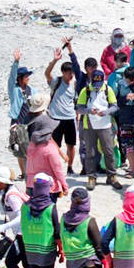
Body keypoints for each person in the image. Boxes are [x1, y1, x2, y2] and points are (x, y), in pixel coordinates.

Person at [22, 173, 64, 268]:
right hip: (46, 249)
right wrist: (61, 250)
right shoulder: (50, 207)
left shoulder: (25, 206)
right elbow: (57, 232)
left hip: (30, 248)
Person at [75, 69, 120, 191]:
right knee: (90, 152)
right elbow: (79, 108)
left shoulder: (108, 90)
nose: (97, 87)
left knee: (109, 151)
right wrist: (89, 111)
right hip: (89, 125)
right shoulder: (86, 90)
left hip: (105, 124)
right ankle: (91, 176)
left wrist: (106, 112)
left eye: (99, 85)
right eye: (95, 84)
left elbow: (114, 106)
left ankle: (111, 176)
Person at [0, 166, 30, 268]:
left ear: (5, 182)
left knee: (12, 262)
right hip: (23, 233)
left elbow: (21, 217)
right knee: (26, 264)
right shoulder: (11, 191)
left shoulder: (11, 196)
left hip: (22, 234)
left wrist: (3, 227)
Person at [45, 40, 81, 177]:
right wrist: (54, 60)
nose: (70, 75)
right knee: (55, 145)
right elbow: (47, 73)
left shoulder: (75, 84)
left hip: (70, 118)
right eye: (68, 72)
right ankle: (55, 167)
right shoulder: (57, 81)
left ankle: (70, 167)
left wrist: (77, 116)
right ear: (63, 72)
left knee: (71, 145)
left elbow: (75, 101)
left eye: (72, 72)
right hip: (55, 118)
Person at [25, 96, 69, 200]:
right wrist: (64, 186)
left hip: (32, 184)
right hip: (48, 187)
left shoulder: (31, 146)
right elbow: (57, 169)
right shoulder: (50, 149)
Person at [8, 50, 34, 180]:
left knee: (29, 148)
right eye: (26, 76)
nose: (28, 78)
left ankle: (29, 172)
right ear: (20, 78)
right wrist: (16, 62)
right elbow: (11, 78)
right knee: (19, 149)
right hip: (17, 122)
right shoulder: (14, 90)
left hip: (30, 122)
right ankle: (24, 173)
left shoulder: (32, 90)